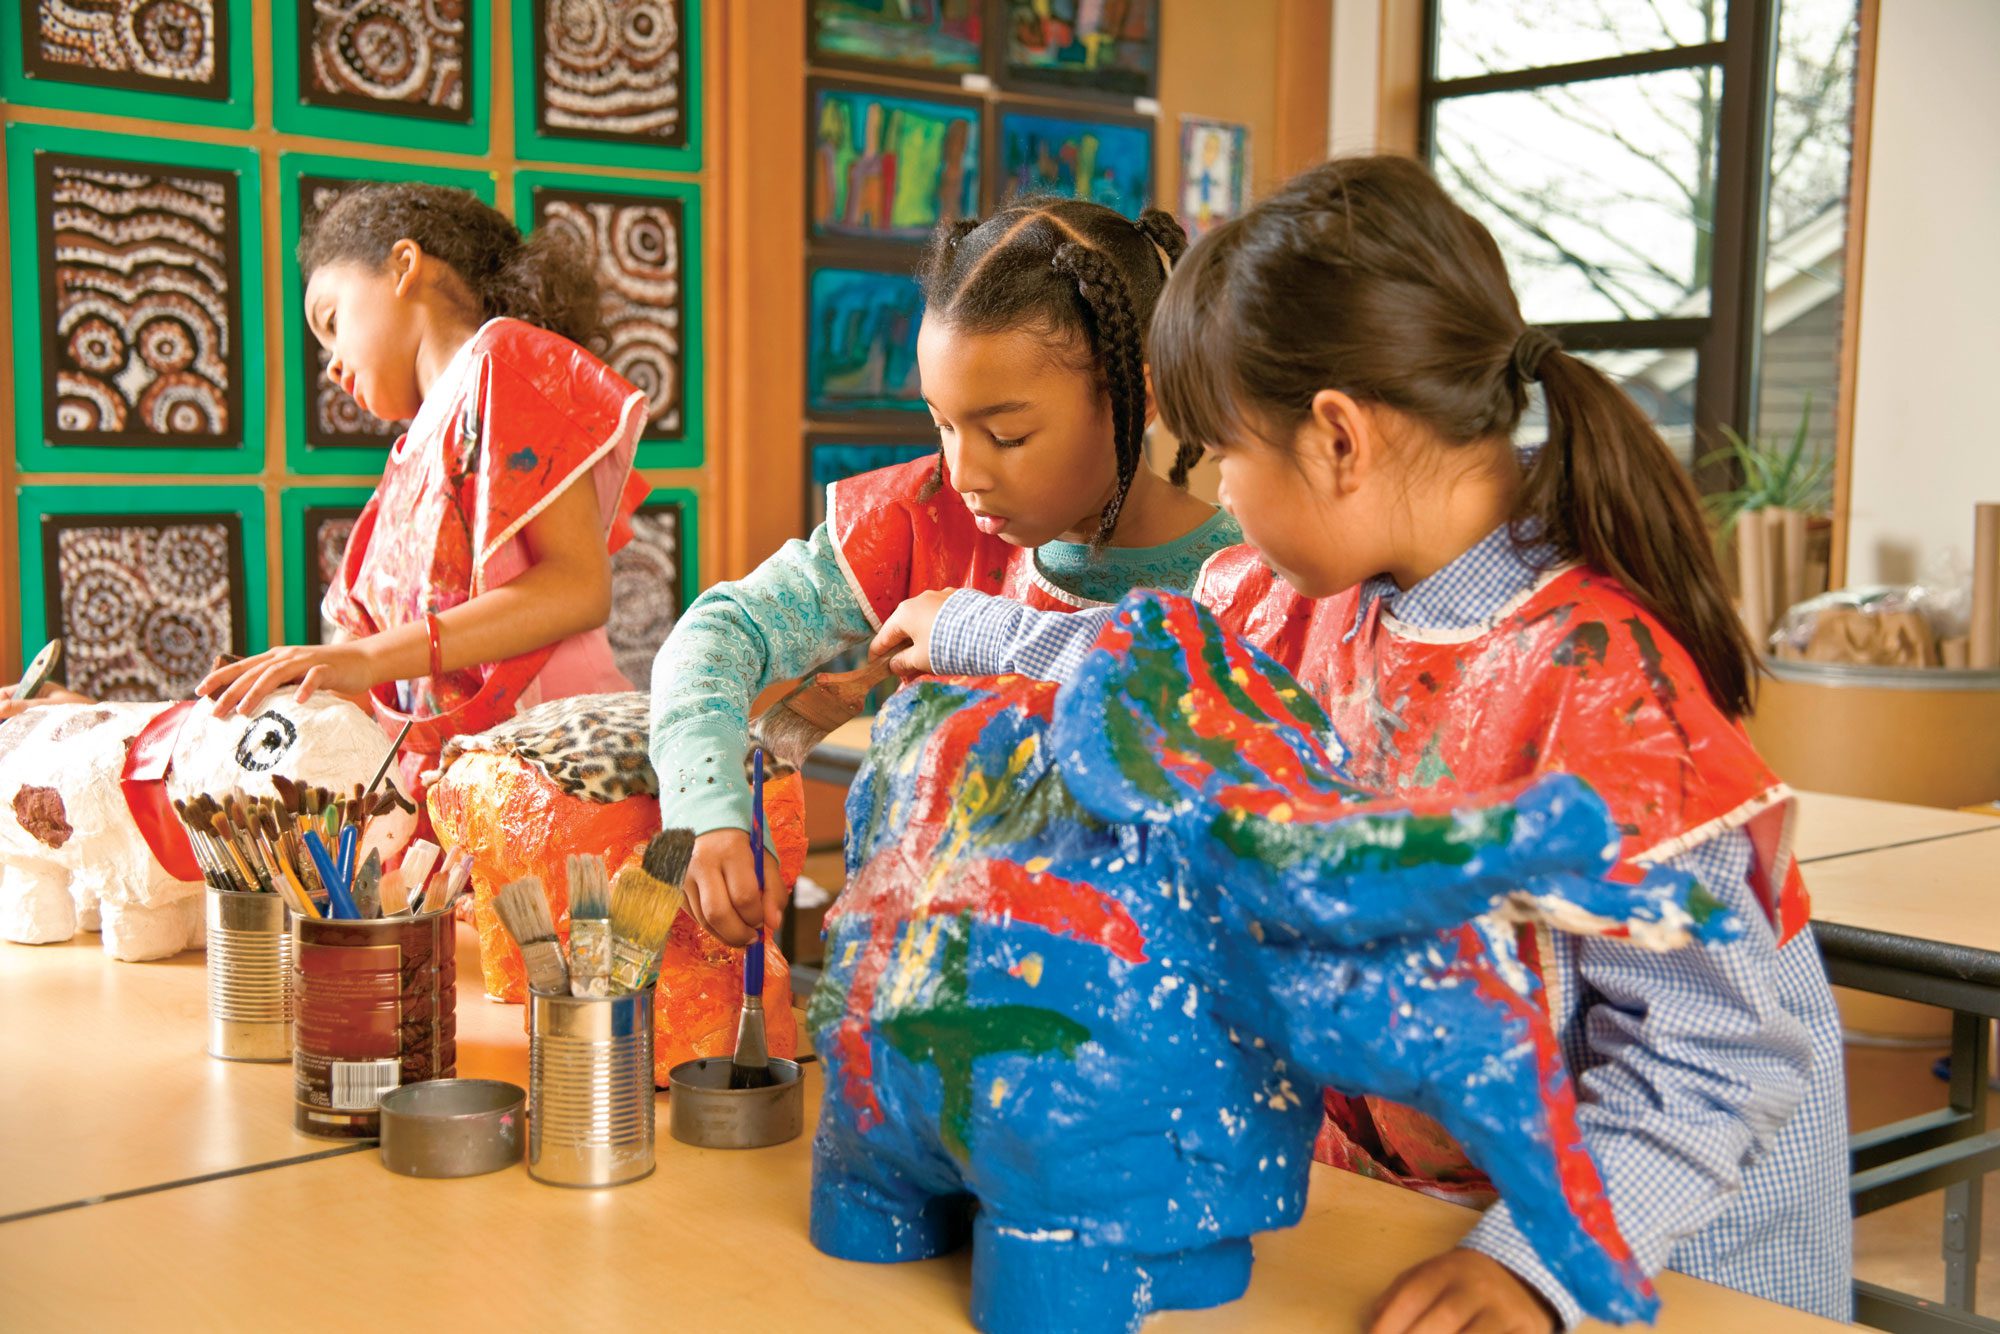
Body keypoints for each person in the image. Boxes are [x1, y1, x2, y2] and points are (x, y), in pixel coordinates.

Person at [870, 156, 1850, 1332]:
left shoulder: (1602, 687)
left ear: (1336, 437)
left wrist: (1527, 1266)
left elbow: (1713, 1061)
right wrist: (971, 628)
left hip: (1655, 1257)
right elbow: (1165, 665)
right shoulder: (1314, 597)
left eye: (1224, 453)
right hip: (1421, 1210)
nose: (1223, 497)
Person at [649, 199, 1241, 946]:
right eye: (943, 424)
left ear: (1138, 398)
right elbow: (721, 632)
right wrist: (706, 807)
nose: (963, 472)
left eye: (1007, 435)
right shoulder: (927, 517)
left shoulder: (1246, 583)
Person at [198, 183, 650, 804]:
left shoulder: (503, 360)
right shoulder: (403, 469)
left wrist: (369, 660)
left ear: (404, 266)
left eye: (331, 321)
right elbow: (361, 667)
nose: (331, 366)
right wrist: (266, 692)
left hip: (565, 777)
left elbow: (577, 588)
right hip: (463, 796)